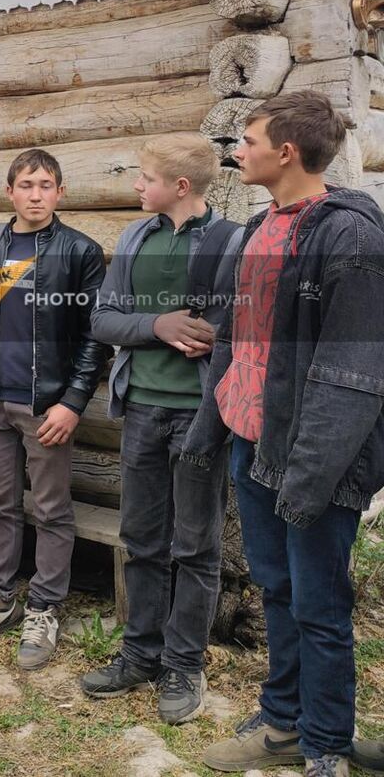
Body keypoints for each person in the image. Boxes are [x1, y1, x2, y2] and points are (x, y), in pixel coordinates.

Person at [183, 92, 384, 777]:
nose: (237, 151)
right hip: (254, 441)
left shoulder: (349, 236)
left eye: (247, 139)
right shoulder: (259, 226)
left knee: (320, 602)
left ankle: (325, 741)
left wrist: (312, 475)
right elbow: (237, 341)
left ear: (286, 152)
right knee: (277, 588)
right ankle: (283, 718)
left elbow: (352, 370)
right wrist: (213, 425)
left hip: (312, 455)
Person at [81, 135, 240, 721]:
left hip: (202, 416)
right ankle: (140, 655)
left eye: (144, 177)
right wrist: (159, 324)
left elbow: (238, 325)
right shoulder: (134, 238)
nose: (135, 187)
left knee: (196, 546)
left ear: (179, 186)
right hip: (142, 411)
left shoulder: (231, 244)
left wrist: (210, 331)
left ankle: (184, 664)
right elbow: (103, 319)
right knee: (142, 540)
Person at [0, 148, 107, 669]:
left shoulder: (79, 253)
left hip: (46, 407)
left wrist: (73, 402)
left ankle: (44, 608)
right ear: (9, 191)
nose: (36, 194)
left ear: (60, 192)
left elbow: (94, 338)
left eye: (46, 185)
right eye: (26, 185)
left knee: (51, 509)